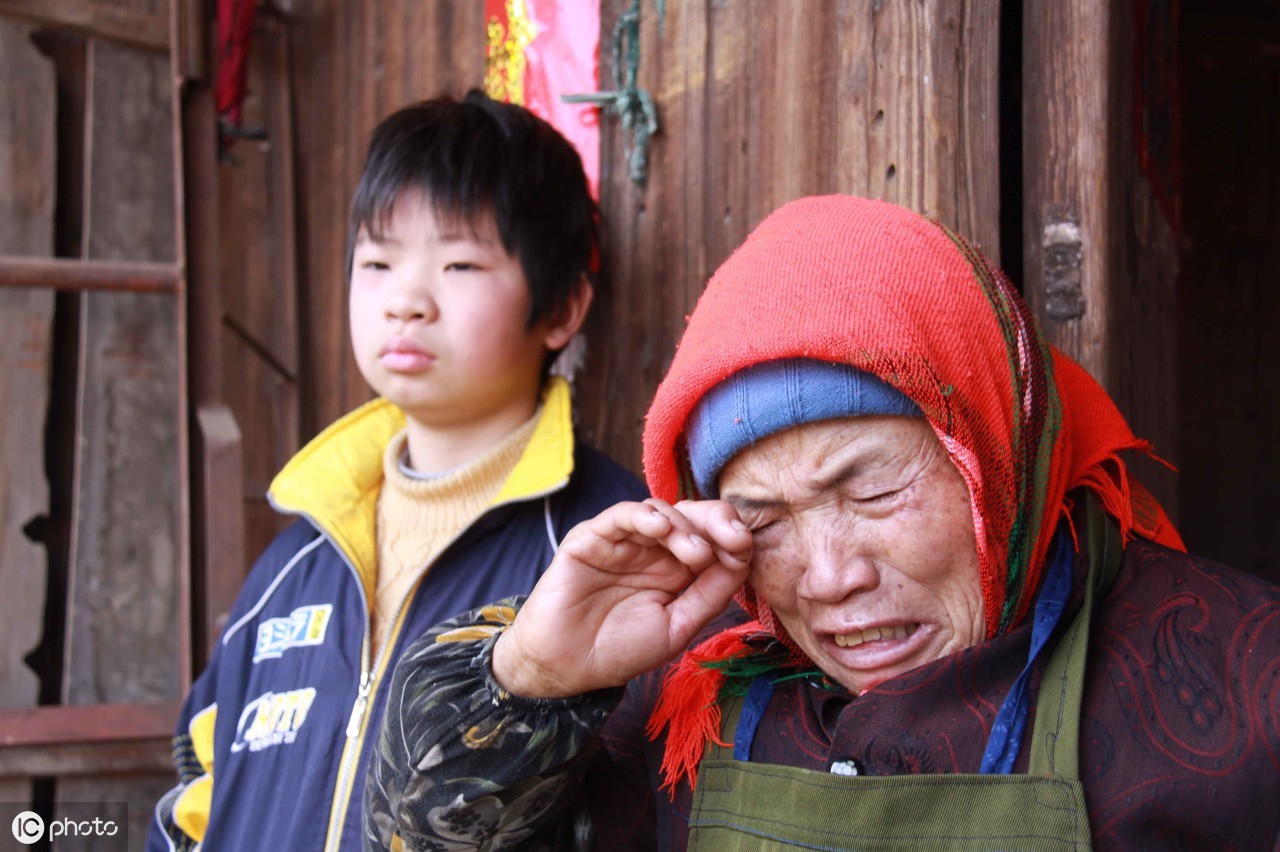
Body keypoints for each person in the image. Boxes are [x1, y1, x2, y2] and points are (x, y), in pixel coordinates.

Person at [364, 195, 1280, 850]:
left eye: (874, 493)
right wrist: (528, 677)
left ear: (997, 451)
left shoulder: (1237, 686)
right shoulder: (686, 683)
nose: (829, 576)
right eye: (762, 520)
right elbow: (417, 831)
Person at [147, 90, 645, 851]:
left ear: (563, 309)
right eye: (377, 261)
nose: (406, 301)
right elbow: (194, 801)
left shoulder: (606, 549)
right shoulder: (294, 563)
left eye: (459, 263)